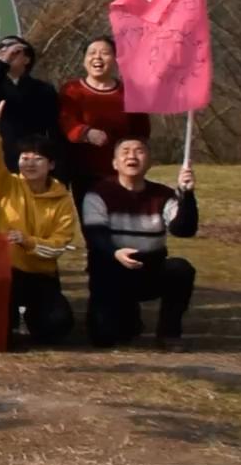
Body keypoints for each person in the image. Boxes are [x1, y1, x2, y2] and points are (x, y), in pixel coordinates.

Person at [0, 95, 77, 346]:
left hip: (42, 275)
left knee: (57, 325)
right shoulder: (7, 185)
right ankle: (11, 318)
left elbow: (59, 245)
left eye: (37, 158)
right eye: (24, 158)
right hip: (7, 272)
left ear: (51, 165)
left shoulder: (62, 198)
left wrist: (28, 242)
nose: (29, 163)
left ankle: (33, 318)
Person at [81, 138, 198, 350]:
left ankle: (169, 333)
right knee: (104, 337)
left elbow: (184, 230)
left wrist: (187, 195)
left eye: (139, 151)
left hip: (150, 268)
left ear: (150, 161)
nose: (132, 156)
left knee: (181, 269)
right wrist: (115, 253)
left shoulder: (163, 195)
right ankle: (127, 316)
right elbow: (95, 234)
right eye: (125, 151)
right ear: (115, 163)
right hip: (111, 269)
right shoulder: (98, 193)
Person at [0, 35, 62, 229]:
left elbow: (54, 130)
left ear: (27, 59)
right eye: (1, 49)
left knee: (34, 223)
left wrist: (57, 169)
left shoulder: (43, 90)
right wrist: (3, 62)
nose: (6, 52)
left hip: (32, 163)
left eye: (14, 50)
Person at [59, 37, 151, 196]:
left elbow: (141, 131)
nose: (97, 57)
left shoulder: (130, 92)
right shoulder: (72, 89)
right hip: (84, 170)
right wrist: (86, 133)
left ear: (116, 60)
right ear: (84, 61)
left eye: (105, 53)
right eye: (92, 53)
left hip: (122, 170)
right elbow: (67, 122)